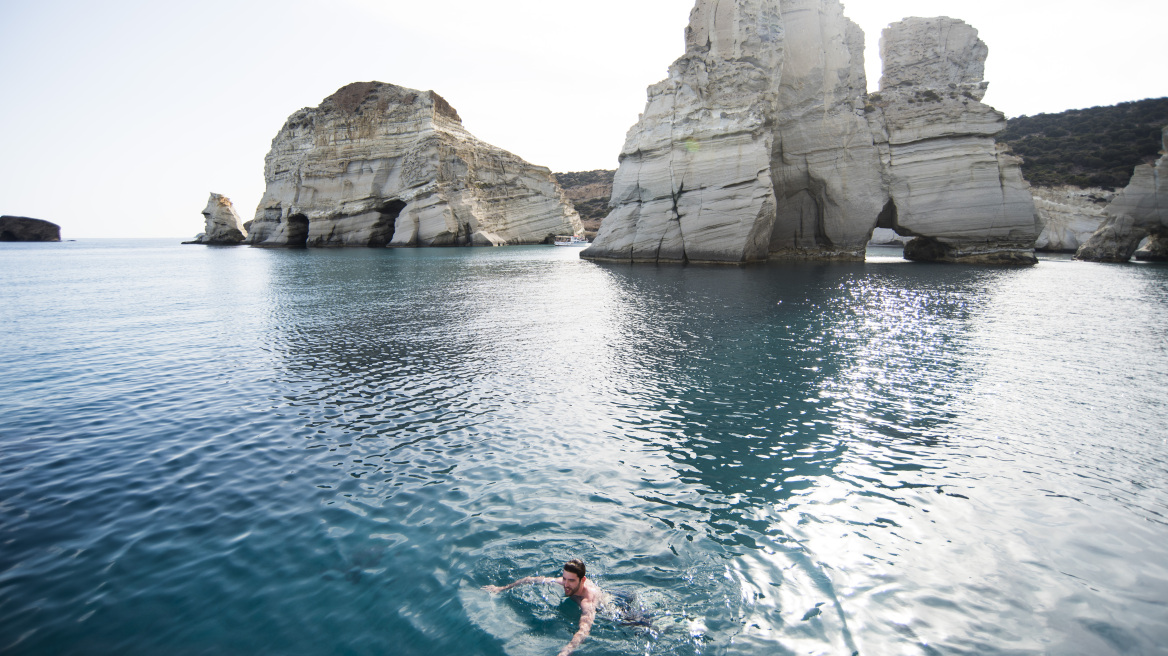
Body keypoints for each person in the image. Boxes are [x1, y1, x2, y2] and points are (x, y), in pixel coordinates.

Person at [483, 559, 603, 656]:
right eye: (564, 578)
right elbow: (530, 580)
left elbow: (584, 629)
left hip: (606, 611)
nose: (566, 584)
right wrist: (502, 588)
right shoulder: (563, 583)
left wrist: (566, 651)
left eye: (571, 580)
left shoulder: (588, 601)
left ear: (583, 580)